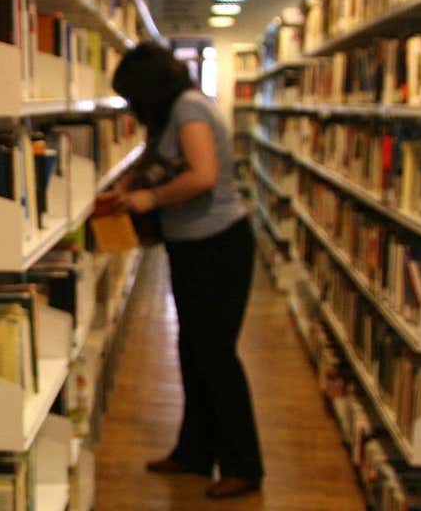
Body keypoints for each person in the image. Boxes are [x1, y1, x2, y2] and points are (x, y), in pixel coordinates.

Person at [112, 43, 263, 500]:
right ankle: (194, 451)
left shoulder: (190, 108)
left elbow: (203, 176)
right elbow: (162, 162)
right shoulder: (176, 112)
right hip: (193, 245)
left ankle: (244, 466)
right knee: (193, 351)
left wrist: (151, 200)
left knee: (216, 355)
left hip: (218, 246)